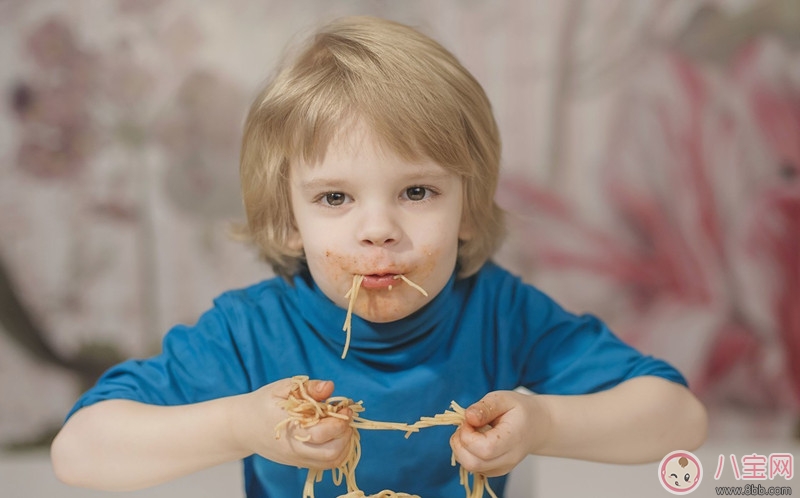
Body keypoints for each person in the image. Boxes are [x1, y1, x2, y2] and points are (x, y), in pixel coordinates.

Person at [50, 15, 707, 498]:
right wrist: (239, 426)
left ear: (467, 210)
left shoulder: (500, 310)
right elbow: (79, 453)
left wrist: (544, 422)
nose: (378, 230)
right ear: (286, 222)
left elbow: (679, 419)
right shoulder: (250, 332)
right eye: (335, 197)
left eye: (416, 191)